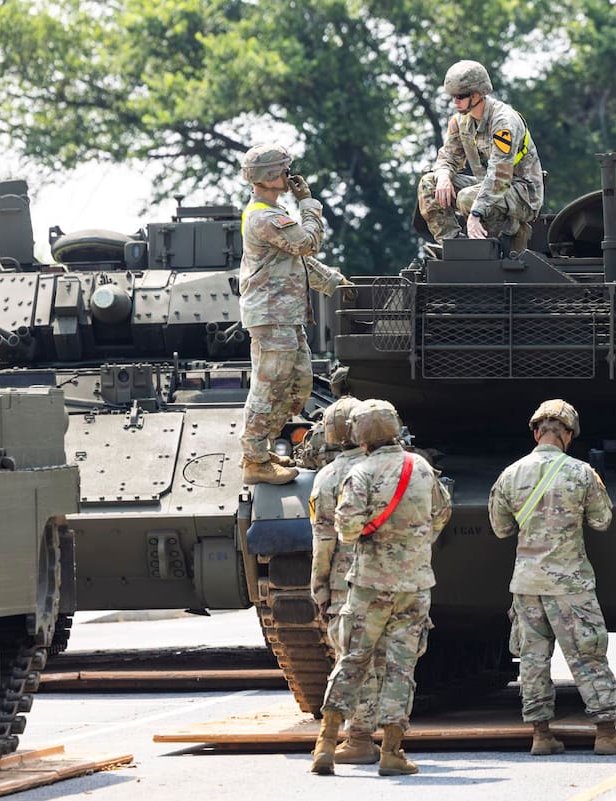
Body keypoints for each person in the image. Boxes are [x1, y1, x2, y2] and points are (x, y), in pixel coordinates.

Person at [487, 399, 616, 757]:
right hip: (570, 584)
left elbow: (500, 529)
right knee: (588, 655)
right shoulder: (581, 473)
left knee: (532, 660)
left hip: (526, 585)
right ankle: (606, 734)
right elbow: (602, 521)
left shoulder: (510, 474)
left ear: (535, 431)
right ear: (569, 435)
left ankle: (541, 735)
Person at [311, 399, 452, 777]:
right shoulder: (420, 467)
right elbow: (441, 513)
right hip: (415, 584)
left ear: (359, 435)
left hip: (370, 584)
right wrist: (414, 541)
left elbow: (347, 529)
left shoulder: (360, 472)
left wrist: (374, 532)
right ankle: (392, 752)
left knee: (352, 660)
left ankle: (325, 745)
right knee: (401, 668)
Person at [238, 142, 350, 485]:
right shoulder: (265, 216)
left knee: (297, 385)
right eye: (284, 170)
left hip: (286, 315)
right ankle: (254, 460)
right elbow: (307, 243)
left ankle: (264, 449)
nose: (290, 176)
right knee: (268, 388)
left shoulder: (273, 211)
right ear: (271, 176)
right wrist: (308, 204)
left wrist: (331, 281)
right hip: (272, 317)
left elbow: (296, 259)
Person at [308, 395, 382, 768]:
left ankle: (353, 735)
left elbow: (323, 540)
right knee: (385, 658)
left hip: (343, 584)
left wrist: (318, 587)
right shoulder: (386, 468)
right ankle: (380, 733)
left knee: (350, 659)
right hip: (386, 578)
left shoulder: (326, 478)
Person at [416, 60, 544, 254]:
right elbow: (448, 157)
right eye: (452, 96)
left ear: (477, 94)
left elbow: (500, 177)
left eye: (460, 96)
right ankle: (454, 248)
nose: (455, 102)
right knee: (429, 184)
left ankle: (508, 235)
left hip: (521, 193)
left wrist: (475, 214)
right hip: (487, 185)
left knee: (467, 198)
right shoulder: (461, 122)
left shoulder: (504, 123)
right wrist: (443, 175)